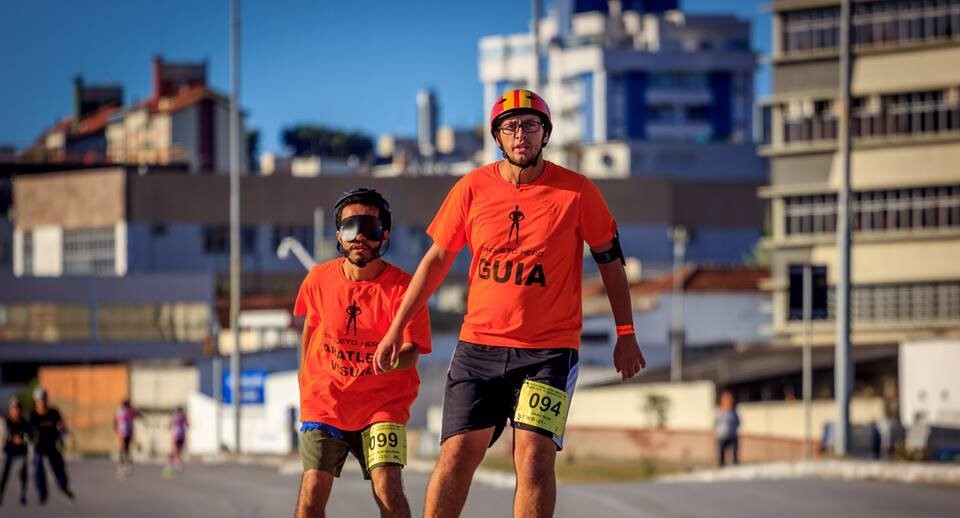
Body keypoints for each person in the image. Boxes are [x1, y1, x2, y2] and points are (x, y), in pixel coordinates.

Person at [373, 89, 646, 518]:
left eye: (531, 125)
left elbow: (610, 261)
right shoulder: (472, 188)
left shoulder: (577, 193)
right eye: (511, 127)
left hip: (549, 352)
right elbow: (438, 260)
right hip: (477, 348)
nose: (522, 134)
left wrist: (626, 333)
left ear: (545, 134)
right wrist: (396, 328)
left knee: (534, 459)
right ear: (498, 137)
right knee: (458, 454)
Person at [293, 188, 432, 518]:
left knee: (387, 487)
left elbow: (413, 352)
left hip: (382, 405)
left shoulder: (404, 289)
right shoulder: (318, 280)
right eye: (351, 227)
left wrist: (392, 360)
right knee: (312, 489)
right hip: (326, 402)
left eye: (369, 228)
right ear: (339, 234)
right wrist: (306, 384)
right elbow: (310, 328)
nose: (360, 238)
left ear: (384, 234)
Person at [29, 387, 74, 503]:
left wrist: (65, 435)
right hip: (39, 446)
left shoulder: (54, 413)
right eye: (39, 399)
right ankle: (42, 494)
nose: (42, 402)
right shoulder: (32, 415)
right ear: (36, 401)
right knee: (38, 468)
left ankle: (63, 487)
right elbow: (28, 431)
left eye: (43, 399)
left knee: (58, 466)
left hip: (52, 444)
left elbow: (61, 426)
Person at [1, 396, 30, 506]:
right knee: (5, 472)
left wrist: (23, 439)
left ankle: (22, 493)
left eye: (17, 408)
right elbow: (4, 435)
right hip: (9, 451)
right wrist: (12, 439)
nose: (15, 411)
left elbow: (30, 436)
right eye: (13, 408)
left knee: (23, 470)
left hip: (22, 452)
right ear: (10, 409)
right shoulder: (6, 422)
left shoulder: (25, 422)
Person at [115, 399, 140, 478]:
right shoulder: (128, 411)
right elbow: (137, 414)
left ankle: (124, 462)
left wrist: (116, 428)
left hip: (124, 431)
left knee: (124, 446)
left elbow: (115, 420)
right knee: (125, 446)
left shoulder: (120, 411)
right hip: (126, 431)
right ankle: (124, 462)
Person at [715, 390, 740, 467]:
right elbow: (716, 423)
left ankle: (735, 462)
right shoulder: (719, 412)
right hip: (722, 435)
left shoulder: (733, 412)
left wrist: (733, 429)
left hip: (732, 435)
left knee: (735, 448)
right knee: (721, 451)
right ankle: (721, 463)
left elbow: (738, 422)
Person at [164, 406, 189, 477]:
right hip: (179, 436)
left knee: (176, 451)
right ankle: (175, 463)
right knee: (177, 451)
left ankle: (173, 464)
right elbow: (187, 424)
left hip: (178, 436)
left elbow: (170, 425)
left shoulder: (176, 417)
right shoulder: (181, 417)